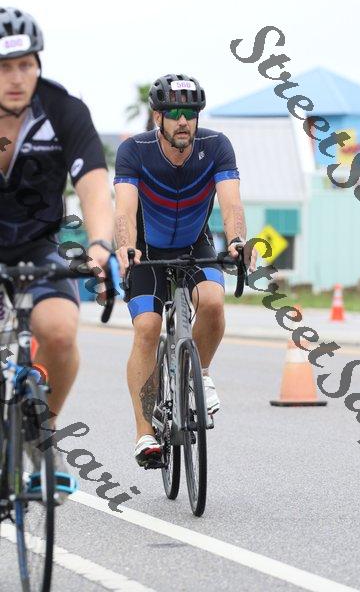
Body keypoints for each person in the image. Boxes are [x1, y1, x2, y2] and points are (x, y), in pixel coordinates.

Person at [114, 74, 256, 468]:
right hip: (147, 250)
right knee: (147, 327)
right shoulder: (134, 151)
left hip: (195, 244)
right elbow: (124, 209)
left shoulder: (216, 146)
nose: (183, 121)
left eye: (190, 113)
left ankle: (201, 374)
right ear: (157, 117)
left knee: (212, 301)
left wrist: (237, 241)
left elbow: (231, 204)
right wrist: (125, 246)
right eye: (174, 113)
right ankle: (145, 432)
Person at [0, 7, 114, 496]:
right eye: (5, 67)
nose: (16, 78)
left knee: (61, 333)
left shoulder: (63, 110)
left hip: (38, 245)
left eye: (25, 64)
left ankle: (40, 433)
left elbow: (93, 185)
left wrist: (100, 244)